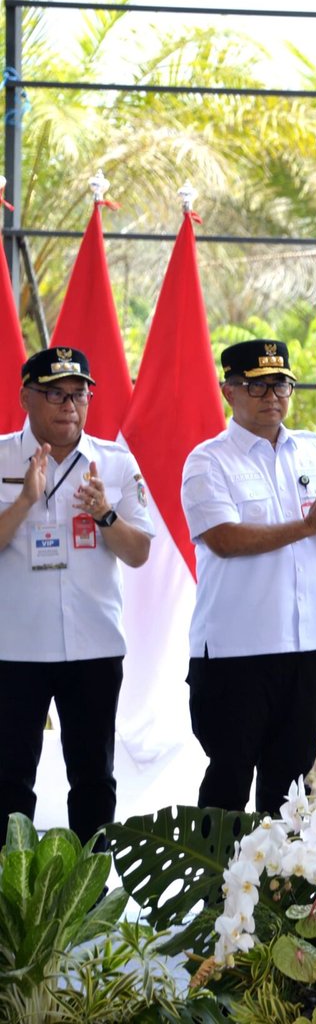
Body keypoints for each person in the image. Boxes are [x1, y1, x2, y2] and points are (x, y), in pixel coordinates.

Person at [182, 340, 316, 814]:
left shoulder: (314, 449)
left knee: (291, 785)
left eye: (281, 384)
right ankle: (213, 887)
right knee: (229, 777)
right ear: (229, 391)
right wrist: (308, 525)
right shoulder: (208, 460)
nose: (272, 396)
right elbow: (224, 538)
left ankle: (278, 888)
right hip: (236, 652)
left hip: (306, 647)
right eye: (257, 386)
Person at [0, 347, 152, 848]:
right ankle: (10, 898)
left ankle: (90, 896)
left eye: (79, 394)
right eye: (55, 394)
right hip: (15, 649)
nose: (70, 405)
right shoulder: (2, 457)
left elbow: (139, 553)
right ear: (26, 396)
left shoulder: (114, 461)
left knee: (93, 778)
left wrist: (106, 513)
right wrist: (24, 500)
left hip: (93, 646)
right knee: (9, 779)